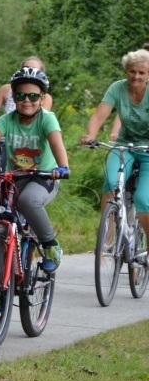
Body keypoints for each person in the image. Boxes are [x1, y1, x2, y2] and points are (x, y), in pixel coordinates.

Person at [0, 67, 69, 280]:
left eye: (33, 96)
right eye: (21, 95)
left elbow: (56, 143)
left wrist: (62, 166)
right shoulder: (7, 120)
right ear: (13, 98)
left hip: (43, 177)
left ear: (42, 98)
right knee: (0, 221)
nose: (27, 100)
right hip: (15, 177)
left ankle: (50, 244)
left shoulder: (47, 119)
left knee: (28, 201)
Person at [80, 48, 149, 246]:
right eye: (132, 71)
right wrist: (91, 135)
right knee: (111, 183)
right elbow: (98, 116)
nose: (136, 76)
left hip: (148, 151)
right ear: (126, 71)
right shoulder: (117, 88)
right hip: (124, 146)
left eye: (142, 72)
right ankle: (107, 237)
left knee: (144, 200)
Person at [0, 57, 54, 171]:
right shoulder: (7, 89)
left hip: (27, 143)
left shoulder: (45, 98)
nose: (29, 73)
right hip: (2, 141)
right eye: (26, 68)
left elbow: (39, 123)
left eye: (34, 70)